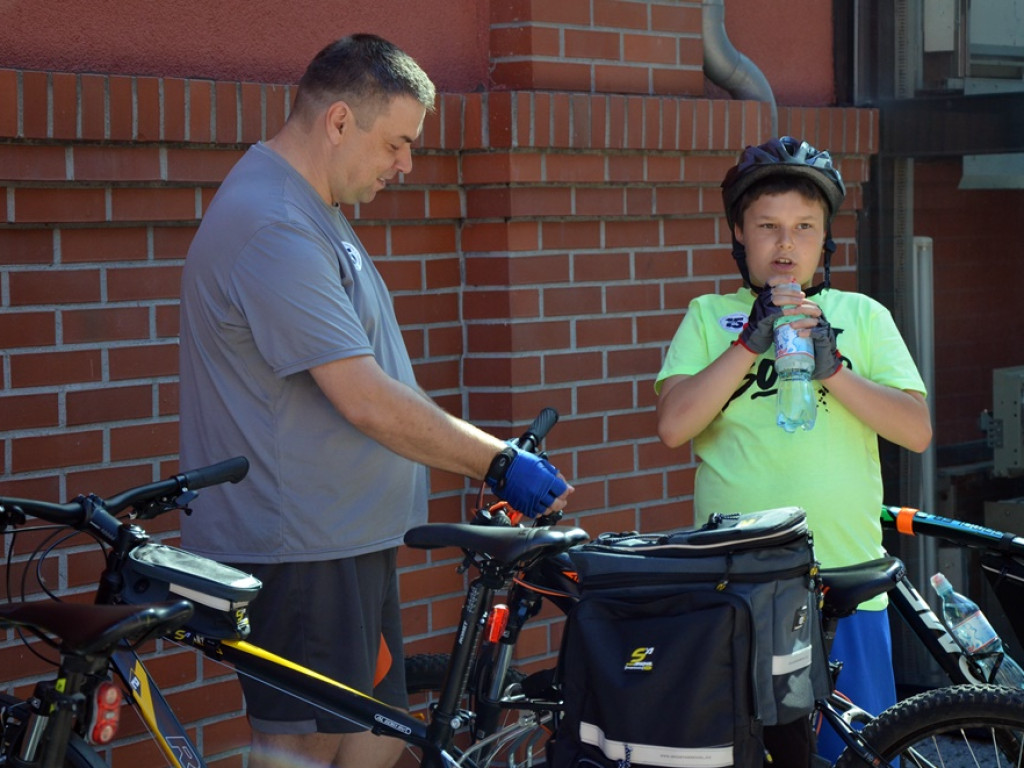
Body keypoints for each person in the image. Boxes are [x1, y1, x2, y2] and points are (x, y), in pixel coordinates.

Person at [177, 34, 573, 768]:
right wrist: (496, 462)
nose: (406, 164)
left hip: (341, 541)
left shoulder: (312, 209)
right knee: (302, 747)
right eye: (397, 142)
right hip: (301, 546)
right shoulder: (274, 224)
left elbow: (379, 381)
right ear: (338, 121)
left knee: (373, 740)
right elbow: (364, 399)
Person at [654, 137, 932, 763]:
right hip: (734, 585)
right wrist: (748, 343)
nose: (786, 244)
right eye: (768, 226)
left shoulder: (863, 315)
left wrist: (835, 369)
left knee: (856, 752)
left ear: (826, 238)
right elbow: (674, 425)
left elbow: (915, 430)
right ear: (739, 233)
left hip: (845, 580)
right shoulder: (709, 315)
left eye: (804, 226)